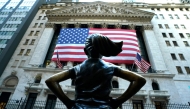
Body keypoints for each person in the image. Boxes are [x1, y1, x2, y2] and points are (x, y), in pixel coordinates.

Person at [45, 34, 146, 109]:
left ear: (85, 51)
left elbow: (51, 81)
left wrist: (68, 103)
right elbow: (140, 80)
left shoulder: (77, 68)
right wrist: (118, 102)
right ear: (102, 52)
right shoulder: (110, 67)